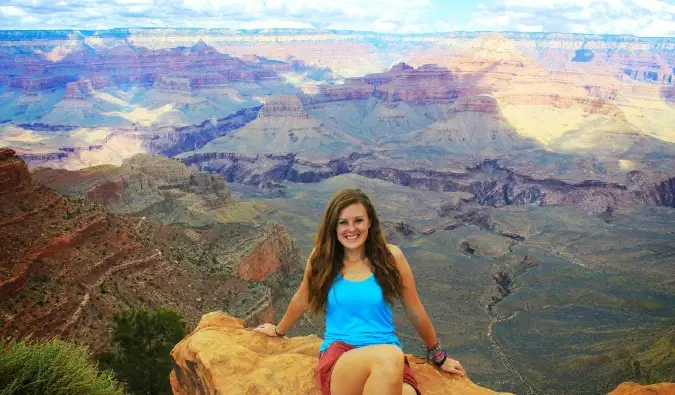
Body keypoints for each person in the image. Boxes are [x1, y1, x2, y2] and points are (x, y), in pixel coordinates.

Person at [254, 188, 466, 394]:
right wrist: (279, 331)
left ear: (370, 222)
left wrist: (439, 356)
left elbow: (415, 311)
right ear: (333, 227)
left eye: (358, 220)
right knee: (389, 356)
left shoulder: (391, 257)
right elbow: (303, 297)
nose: (351, 229)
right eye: (343, 222)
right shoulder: (322, 258)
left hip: (388, 361)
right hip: (342, 358)